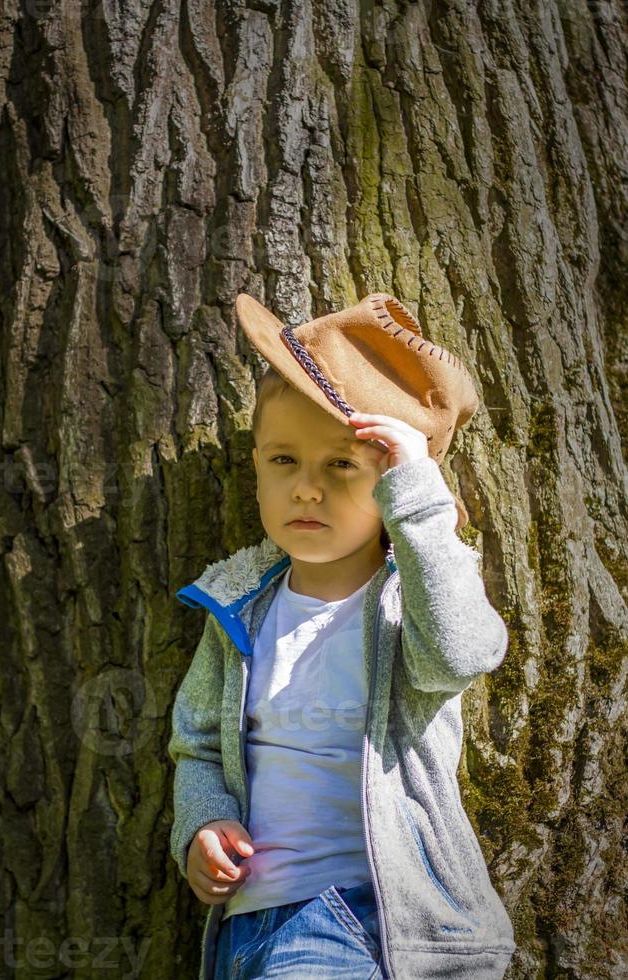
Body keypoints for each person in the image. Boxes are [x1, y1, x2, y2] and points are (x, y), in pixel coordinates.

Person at [168, 292, 517, 979]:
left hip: (360, 918)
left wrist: (419, 494)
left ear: (395, 484)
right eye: (282, 461)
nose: (305, 489)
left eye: (341, 465)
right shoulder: (240, 606)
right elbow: (198, 744)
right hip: (245, 925)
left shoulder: (409, 602)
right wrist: (201, 827)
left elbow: (462, 652)